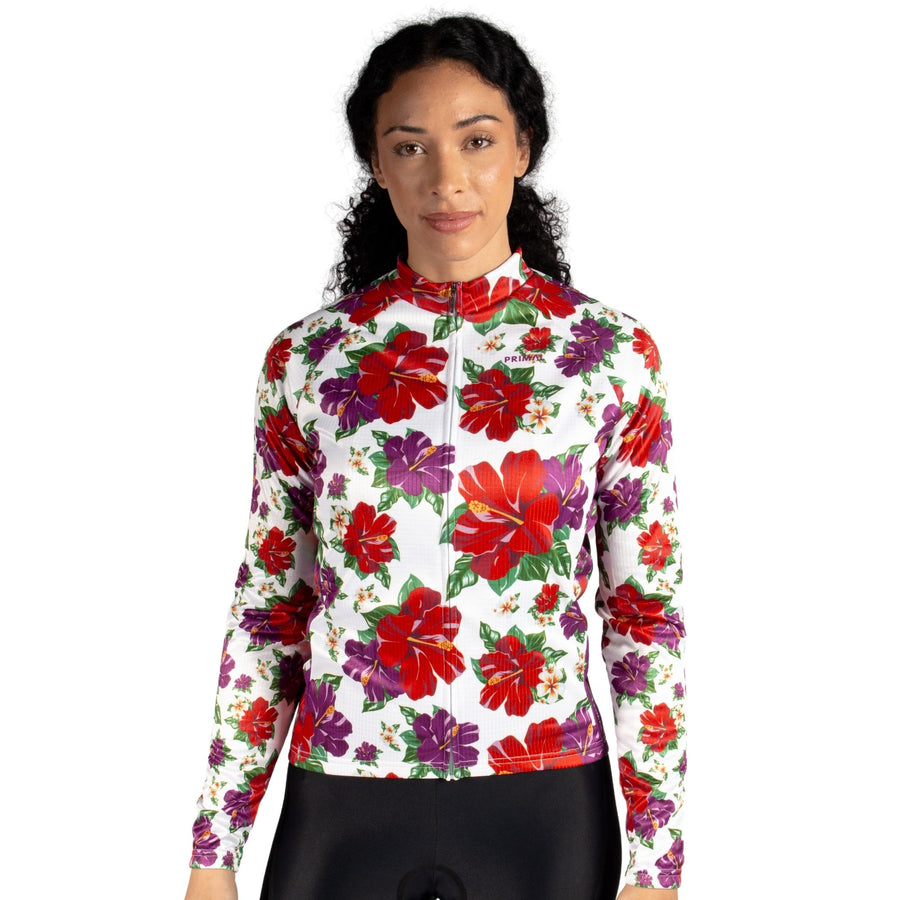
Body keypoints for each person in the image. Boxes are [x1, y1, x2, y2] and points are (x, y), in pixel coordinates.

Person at [185, 14, 685, 900]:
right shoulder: (308, 361)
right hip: (343, 793)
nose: (446, 179)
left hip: (544, 805)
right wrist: (213, 852)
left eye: (477, 140)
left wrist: (658, 860)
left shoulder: (609, 356)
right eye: (409, 147)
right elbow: (270, 611)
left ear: (524, 148)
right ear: (376, 164)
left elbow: (644, 620)